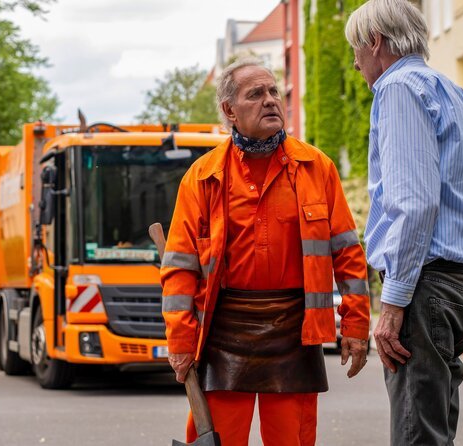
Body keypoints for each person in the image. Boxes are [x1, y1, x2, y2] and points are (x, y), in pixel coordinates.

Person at [160, 58, 371, 446]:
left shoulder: (317, 168)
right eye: (255, 94)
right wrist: (180, 341)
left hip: (294, 334)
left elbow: (348, 255)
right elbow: (178, 269)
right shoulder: (203, 177)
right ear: (229, 111)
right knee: (215, 439)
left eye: (274, 91)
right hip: (223, 334)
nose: (271, 100)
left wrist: (355, 326)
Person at [345, 1, 463, 444]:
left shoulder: (398, 88)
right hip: (457, 284)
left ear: (375, 41)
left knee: (417, 433)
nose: (355, 63)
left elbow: (415, 203)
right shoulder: (455, 93)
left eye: (356, 48)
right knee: (434, 426)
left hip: (423, 288)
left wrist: (393, 302)